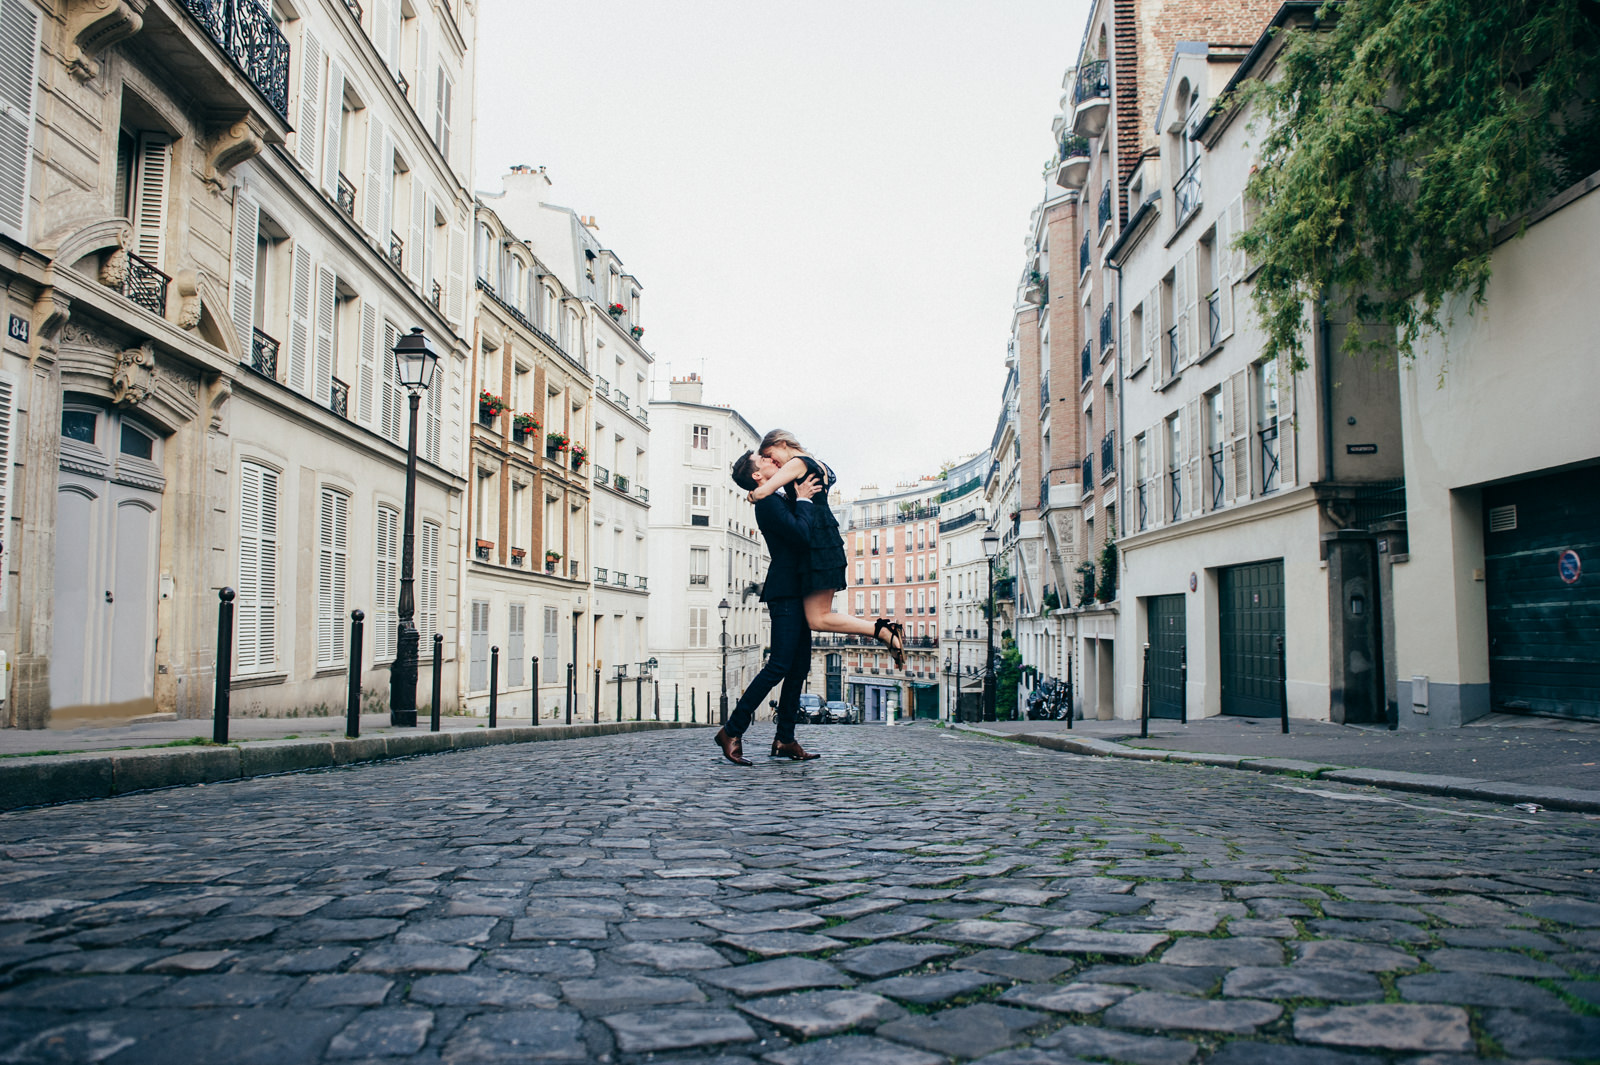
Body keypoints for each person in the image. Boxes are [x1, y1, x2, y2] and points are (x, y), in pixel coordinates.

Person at [745, 429, 906, 667]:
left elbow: (764, 491)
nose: (773, 462)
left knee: (817, 618)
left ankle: (884, 631)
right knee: (817, 618)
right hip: (825, 537)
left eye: (771, 454)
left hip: (817, 541)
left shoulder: (798, 463)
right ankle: (883, 631)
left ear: (781, 443)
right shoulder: (820, 465)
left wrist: (752, 494)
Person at [713, 452, 824, 765]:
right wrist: (802, 500)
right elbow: (801, 535)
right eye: (761, 459)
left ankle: (785, 739)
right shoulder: (767, 503)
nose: (769, 458)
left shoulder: (775, 496)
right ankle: (732, 730)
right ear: (757, 475)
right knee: (779, 665)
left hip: (797, 589)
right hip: (786, 591)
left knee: (799, 666)